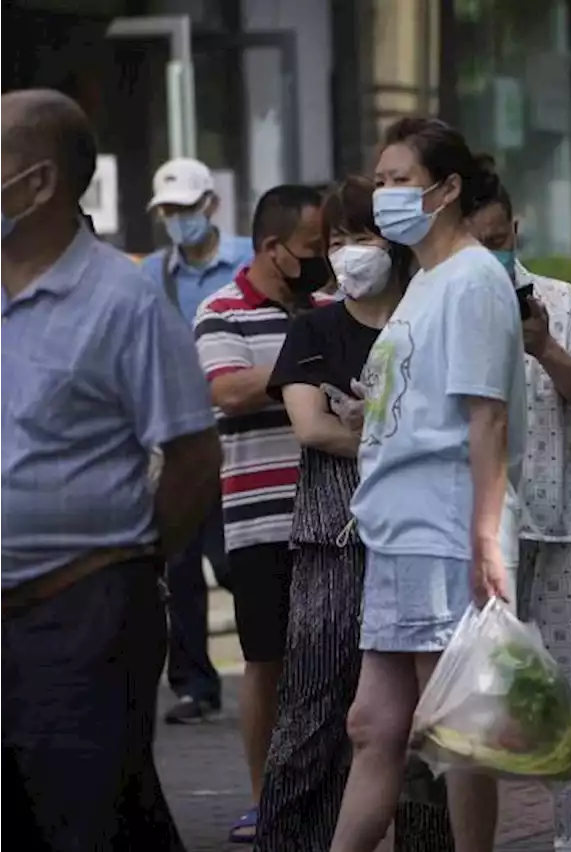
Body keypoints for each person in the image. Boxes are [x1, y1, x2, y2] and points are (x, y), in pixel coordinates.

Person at [0, 88, 222, 851]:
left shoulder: (124, 301)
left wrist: (134, 560)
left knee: (83, 818)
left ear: (38, 184)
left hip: (83, 611)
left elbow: (194, 456)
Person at [329, 117, 524, 852]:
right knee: (373, 725)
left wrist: (484, 537)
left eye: (399, 179)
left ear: (446, 191)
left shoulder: (473, 279)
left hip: (443, 530)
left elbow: (489, 418)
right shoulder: (426, 281)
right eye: (379, 180)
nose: (384, 194)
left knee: (457, 729)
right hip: (396, 525)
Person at [255, 177, 449, 851]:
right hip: (332, 544)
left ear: (393, 243)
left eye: (361, 237)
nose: (347, 253)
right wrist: (395, 434)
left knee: (426, 723)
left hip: (421, 541)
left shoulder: (426, 322)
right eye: (336, 241)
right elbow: (313, 428)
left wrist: (372, 426)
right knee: (311, 711)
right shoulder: (313, 327)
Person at [467, 173, 571, 852]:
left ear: (515, 230)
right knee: (463, 701)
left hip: (552, 522)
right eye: (474, 243)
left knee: (570, 692)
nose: (488, 254)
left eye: (497, 241)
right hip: (464, 536)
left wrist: (545, 348)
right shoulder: (431, 307)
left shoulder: (557, 300)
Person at [193, 183, 332, 844]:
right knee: (266, 659)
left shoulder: (330, 304)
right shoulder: (221, 310)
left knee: (337, 658)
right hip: (258, 516)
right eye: (312, 248)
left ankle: (332, 793)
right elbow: (228, 390)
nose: (323, 259)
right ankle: (262, 797)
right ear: (272, 249)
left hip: (334, 514)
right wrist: (306, 355)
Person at [140, 156, 255, 725]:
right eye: (168, 211)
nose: (178, 220)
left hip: (240, 435)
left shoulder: (250, 260)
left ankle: (269, 662)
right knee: (179, 564)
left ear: (210, 204)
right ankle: (194, 686)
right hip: (181, 438)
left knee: (237, 561)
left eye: (186, 208)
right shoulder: (153, 277)